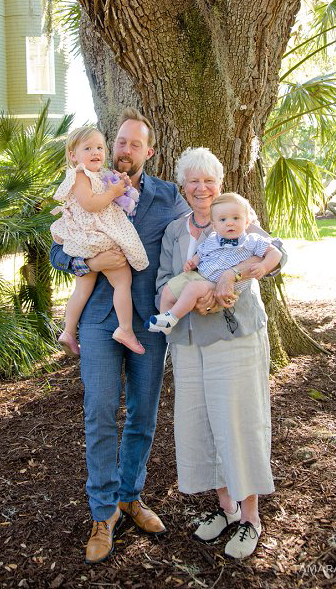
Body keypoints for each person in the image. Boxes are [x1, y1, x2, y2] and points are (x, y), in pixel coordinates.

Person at [49, 108, 189, 564]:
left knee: (143, 415)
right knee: (100, 412)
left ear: (149, 151)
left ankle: (131, 495)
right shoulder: (90, 182)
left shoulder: (170, 196)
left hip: (149, 324)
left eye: (134, 144)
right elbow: (57, 247)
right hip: (96, 320)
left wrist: (262, 250)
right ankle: (102, 512)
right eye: (120, 142)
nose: (124, 150)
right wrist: (87, 264)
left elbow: (210, 226)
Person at [156, 147, 286, 560]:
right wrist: (190, 297)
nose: (202, 188)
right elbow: (164, 279)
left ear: (219, 182)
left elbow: (274, 252)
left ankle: (251, 519)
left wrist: (232, 276)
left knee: (239, 423)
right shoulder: (176, 231)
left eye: (208, 179)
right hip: (189, 343)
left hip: (235, 338)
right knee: (205, 426)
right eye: (193, 180)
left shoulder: (235, 216)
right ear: (183, 185)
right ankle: (226, 511)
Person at [51, 125, 147, 355]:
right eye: (88, 148)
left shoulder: (99, 174)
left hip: (90, 239)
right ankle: (125, 329)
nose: (96, 152)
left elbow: (116, 194)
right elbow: (91, 204)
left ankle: (68, 331)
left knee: (83, 287)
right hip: (95, 238)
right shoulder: (80, 175)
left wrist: (119, 186)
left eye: (99, 148)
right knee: (122, 280)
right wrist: (112, 193)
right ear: (73, 156)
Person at [148, 192, 281, 334]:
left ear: (247, 221)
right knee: (168, 290)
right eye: (223, 220)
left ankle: (172, 317)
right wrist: (193, 262)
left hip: (217, 284)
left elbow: (276, 253)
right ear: (215, 225)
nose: (230, 223)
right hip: (200, 275)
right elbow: (201, 253)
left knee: (192, 289)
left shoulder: (252, 240)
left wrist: (264, 266)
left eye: (236, 218)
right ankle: (164, 322)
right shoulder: (213, 238)